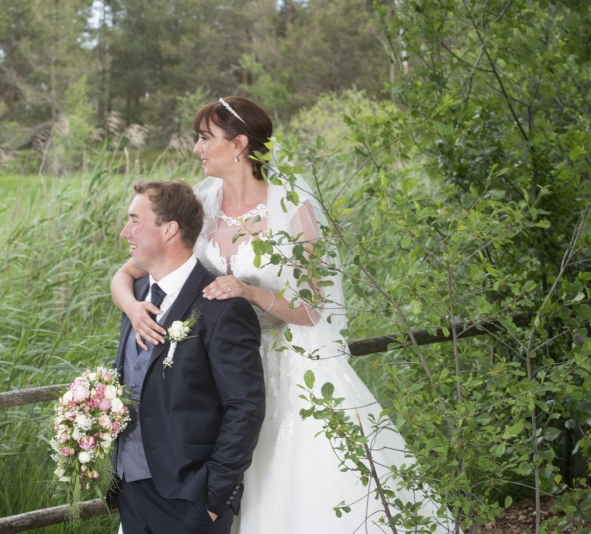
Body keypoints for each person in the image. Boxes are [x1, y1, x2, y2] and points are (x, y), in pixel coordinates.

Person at [111, 97, 458, 532]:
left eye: (204, 138)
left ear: (238, 144)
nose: (197, 148)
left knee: (285, 485)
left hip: (286, 364)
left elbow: (312, 308)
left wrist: (250, 291)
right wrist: (132, 307)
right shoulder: (201, 202)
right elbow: (129, 272)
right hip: (212, 370)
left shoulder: (294, 208)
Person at [109, 180, 266, 534]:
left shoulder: (222, 308)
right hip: (131, 491)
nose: (125, 231)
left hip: (189, 501)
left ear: (169, 229)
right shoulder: (134, 296)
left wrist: (212, 497)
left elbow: (245, 407)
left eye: (135, 220)